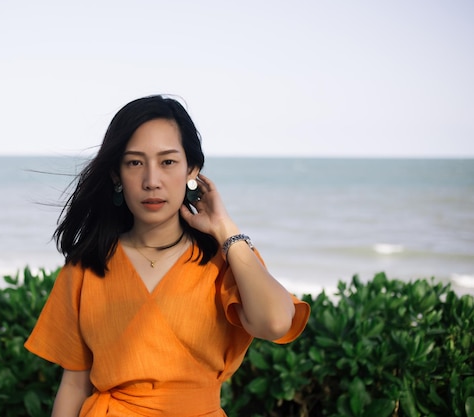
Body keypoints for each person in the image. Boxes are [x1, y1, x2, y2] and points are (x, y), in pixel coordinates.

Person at [25, 95, 310, 416]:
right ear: (117, 175)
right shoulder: (86, 265)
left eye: (168, 162)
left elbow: (274, 322)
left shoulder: (224, 259)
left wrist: (227, 230)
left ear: (192, 169)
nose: (151, 181)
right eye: (135, 162)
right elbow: (75, 384)